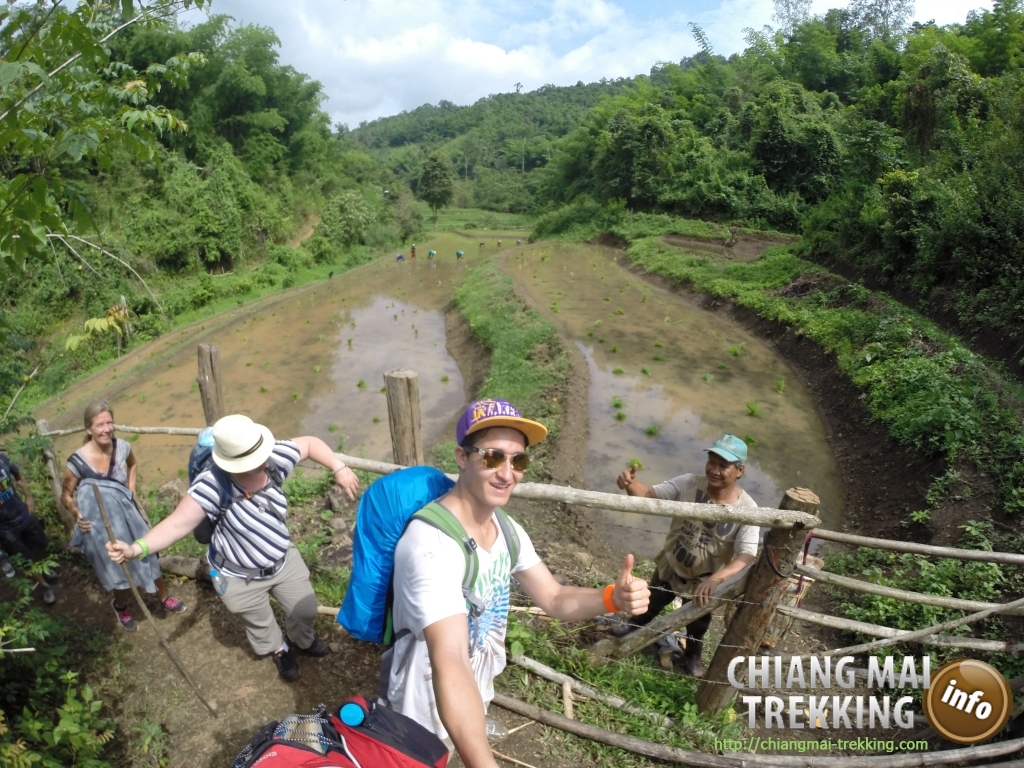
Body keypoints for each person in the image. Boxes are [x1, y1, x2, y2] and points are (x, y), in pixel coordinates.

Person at [386, 399, 650, 766]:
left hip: (472, 695)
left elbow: (554, 597)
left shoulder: (506, 529)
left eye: (518, 460)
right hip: (423, 707)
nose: (507, 473)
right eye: (493, 457)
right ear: (462, 457)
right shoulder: (430, 546)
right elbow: (450, 658)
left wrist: (612, 598)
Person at [106, 414, 360, 682]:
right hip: (237, 575)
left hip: (282, 560)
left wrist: (338, 467)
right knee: (259, 622)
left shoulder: (271, 457)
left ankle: (302, 640)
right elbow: (176, 526)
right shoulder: (211, 485)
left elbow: (308, 443)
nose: (264, 461)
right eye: (253, 460)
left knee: (305, 610)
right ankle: (279, 650)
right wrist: (135, 549)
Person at [613, 434, 759, 676]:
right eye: (712, 462)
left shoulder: (748, 510)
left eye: (723, 466)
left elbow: (746, 555)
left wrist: (716, 579)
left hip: (705, 579)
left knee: (698, 624)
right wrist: (629, 484)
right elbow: (649, 495)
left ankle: (692, 655)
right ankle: (634, 627)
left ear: (740, 470)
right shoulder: (688, 484)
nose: (714, 470)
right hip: (671, 564)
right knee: (652, 602)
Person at [62, 401, 185, 630]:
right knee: (116, 565)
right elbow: (66, 496)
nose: (107, 428)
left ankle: (162, 597)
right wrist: (77, 513)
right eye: (100, 424)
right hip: (99, 525)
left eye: (109, 422)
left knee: (147, 553)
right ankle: (120, 606)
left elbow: (133, 465)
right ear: (89, 429)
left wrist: (131, 489)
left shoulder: (123, 448)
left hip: (127, 515)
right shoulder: (76, 462)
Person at [1, 450, 56, 604]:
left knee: (41, 546)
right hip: (4, 528)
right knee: (24, 559)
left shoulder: (2, 458)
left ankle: (43, 568)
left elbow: (19, 476)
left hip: (22, 513)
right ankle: (44, 585)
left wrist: (29, 497)